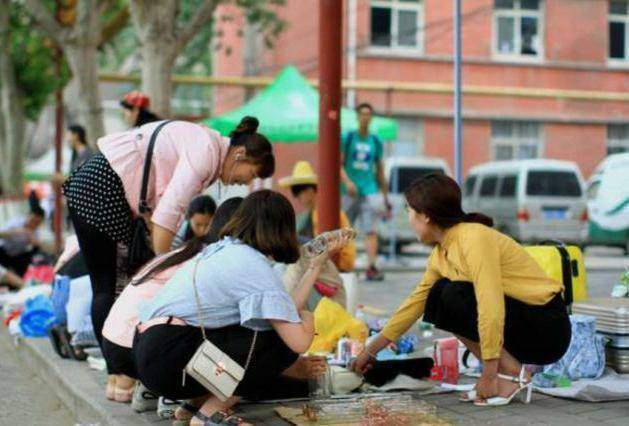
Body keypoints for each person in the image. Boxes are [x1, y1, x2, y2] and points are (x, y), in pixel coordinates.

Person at [351, 174, 572, 407]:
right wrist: (370, 351)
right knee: (437, 295)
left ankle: (510, 375)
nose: (408, 218)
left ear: (425, 215)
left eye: (409, 211)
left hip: (548, 327)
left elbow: (491, 305)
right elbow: (413, 305)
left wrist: (487, 374)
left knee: (453, 295)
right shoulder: (440, 253)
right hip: (522, 325)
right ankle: (507, 374)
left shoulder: (473, 237)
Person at [133, 190, 347, 426]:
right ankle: (208, 415)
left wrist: (315, 265)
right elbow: (298, 342)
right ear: (280, 229)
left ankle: (191, 408)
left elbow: (283, 309)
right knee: (277, 343)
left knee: (264, 331)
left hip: (151, 353)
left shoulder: (226, 251)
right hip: (171, 358)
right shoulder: (255, 267)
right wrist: (307, 317)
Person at [62, 116, 274, 347]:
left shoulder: (208, 147)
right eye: (252, 174)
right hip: (102, 188)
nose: (246, 183)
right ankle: (113, 365)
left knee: (119, 283)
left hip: (101, 186)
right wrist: (167, 270)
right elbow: (167, 215)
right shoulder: (205, 153)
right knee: (108, 286)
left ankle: (116, 362)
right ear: (239, 153)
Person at [101, 198, 243, 405]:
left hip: (112, 339)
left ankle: (151, 390)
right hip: (139, 349)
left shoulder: (189, 250)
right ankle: (174, 398)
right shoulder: (211, 260)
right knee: (234, 367)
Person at [341, 102, 391, 281]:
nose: (365, 117)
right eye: (362, 114)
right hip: (349, 192)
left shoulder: (375, 140)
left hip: (369, 189)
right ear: (357, 116)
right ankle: (343, 264)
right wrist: (347, 182)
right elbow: (339, 164)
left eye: (368, 114)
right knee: (345, 229)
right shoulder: (348, 138)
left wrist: (385, 197)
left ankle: (371, 266)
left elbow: (380, 169)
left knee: (371, 230)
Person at [280, 160, 356, 272]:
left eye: (297, 191)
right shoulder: (311, 213)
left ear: (310, 190)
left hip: (338, 264)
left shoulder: (322, 213)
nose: (296, 197)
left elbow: (321, 244)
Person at [0, 202, 45, 277]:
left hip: (18, 255)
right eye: (32, 221)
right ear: (28, 216)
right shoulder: (16, 223)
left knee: (33, 254)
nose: (33, 224)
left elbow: (38, 246)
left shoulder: (35, 231)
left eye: (37, 223)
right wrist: (17, 232)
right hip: (3, 251)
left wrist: (32, 238)